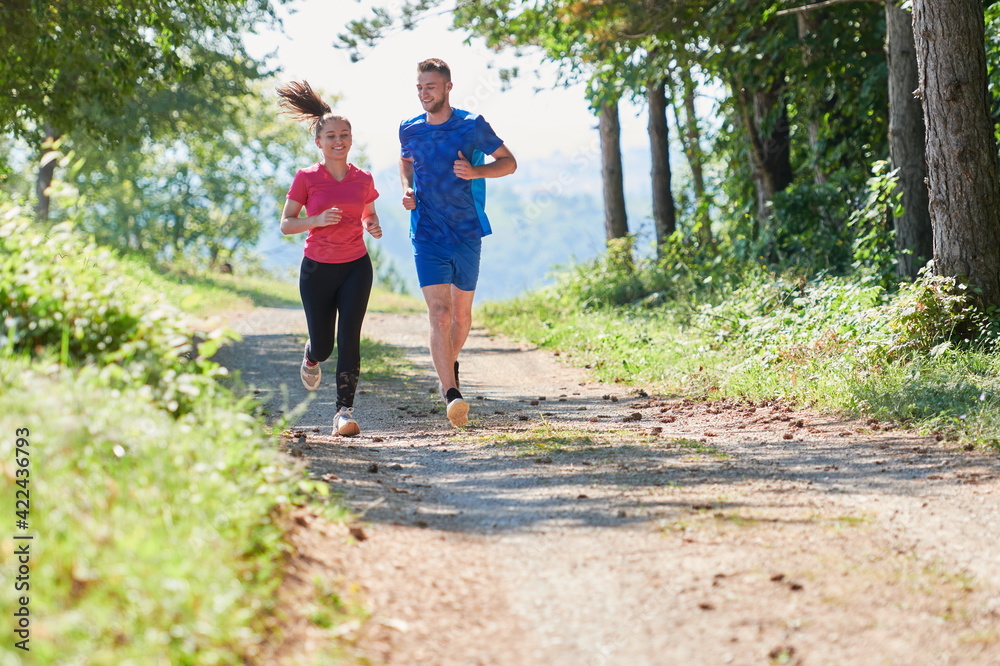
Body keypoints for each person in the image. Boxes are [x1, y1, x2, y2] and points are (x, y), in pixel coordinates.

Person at [399, 58, 518, 428]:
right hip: (428, 232)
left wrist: (477, 170)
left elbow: (509, 162)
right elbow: (405, 160)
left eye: (430, 87)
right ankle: (451, 393)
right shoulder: (409, 128)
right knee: (440, 313)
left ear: (448, 87)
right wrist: (407, 187)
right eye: (419, 87)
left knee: (462, 316)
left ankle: (447, 368)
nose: (424, 93)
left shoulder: (471, 126)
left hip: (466, 232)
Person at [277, 80, 383, 437]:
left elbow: (367, 211)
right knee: (324, 345)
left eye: (345, 135)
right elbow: (287, 224)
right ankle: (310, 354)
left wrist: (372, 224)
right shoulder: (307, 178)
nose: (338, 141)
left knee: (350, 337)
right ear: (318, 142)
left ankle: (343, 413)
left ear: (351, 140)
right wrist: (316, 220)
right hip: (317, 269)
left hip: (356, 265)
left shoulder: (363, 178)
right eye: (331, 136)